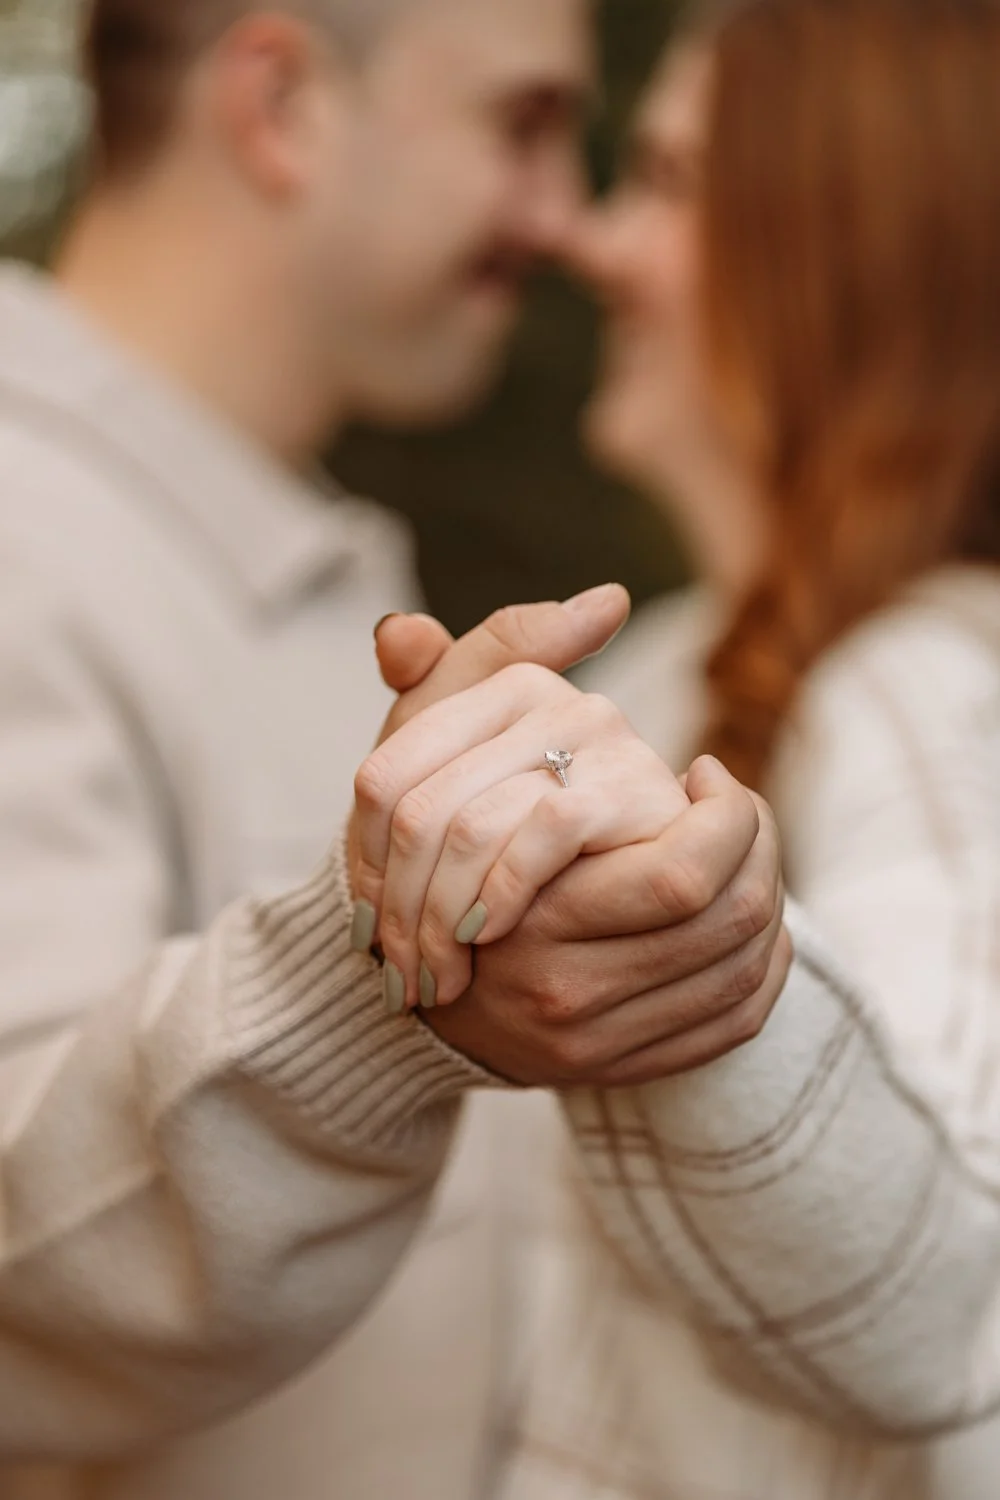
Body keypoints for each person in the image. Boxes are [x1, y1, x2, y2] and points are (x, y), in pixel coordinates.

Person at [0, 0, 795, 1494]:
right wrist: (380, 995)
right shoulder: (18, 530)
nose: (566, 219)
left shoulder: (295, 566)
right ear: (280, 102)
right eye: (522, 123)